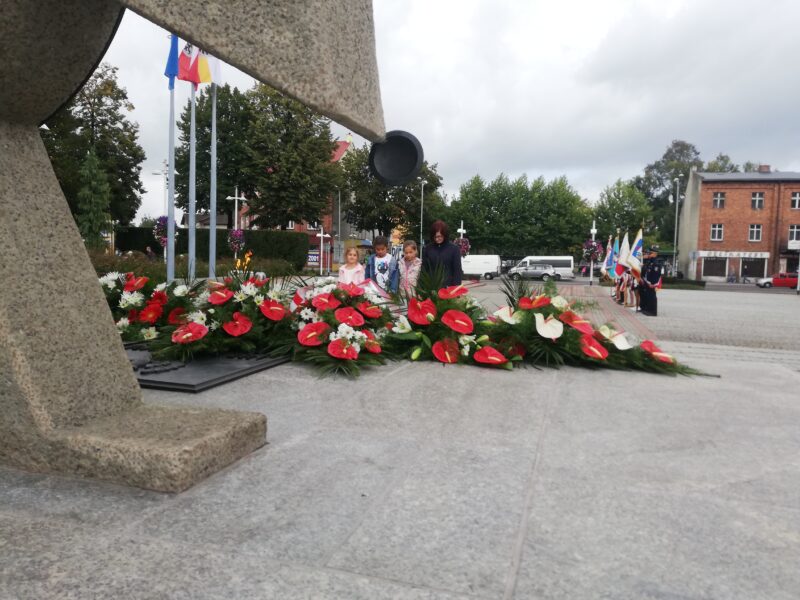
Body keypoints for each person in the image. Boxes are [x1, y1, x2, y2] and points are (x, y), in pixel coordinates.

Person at [421, 220, 463, 287]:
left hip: (449, 287)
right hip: (431, 288)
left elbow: (457, 270)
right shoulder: (427, 249)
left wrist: (456, 287)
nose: (437, 239)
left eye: (440, 236)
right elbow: (424, 270)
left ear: (445, 234)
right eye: (435, 237)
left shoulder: (454, 249)